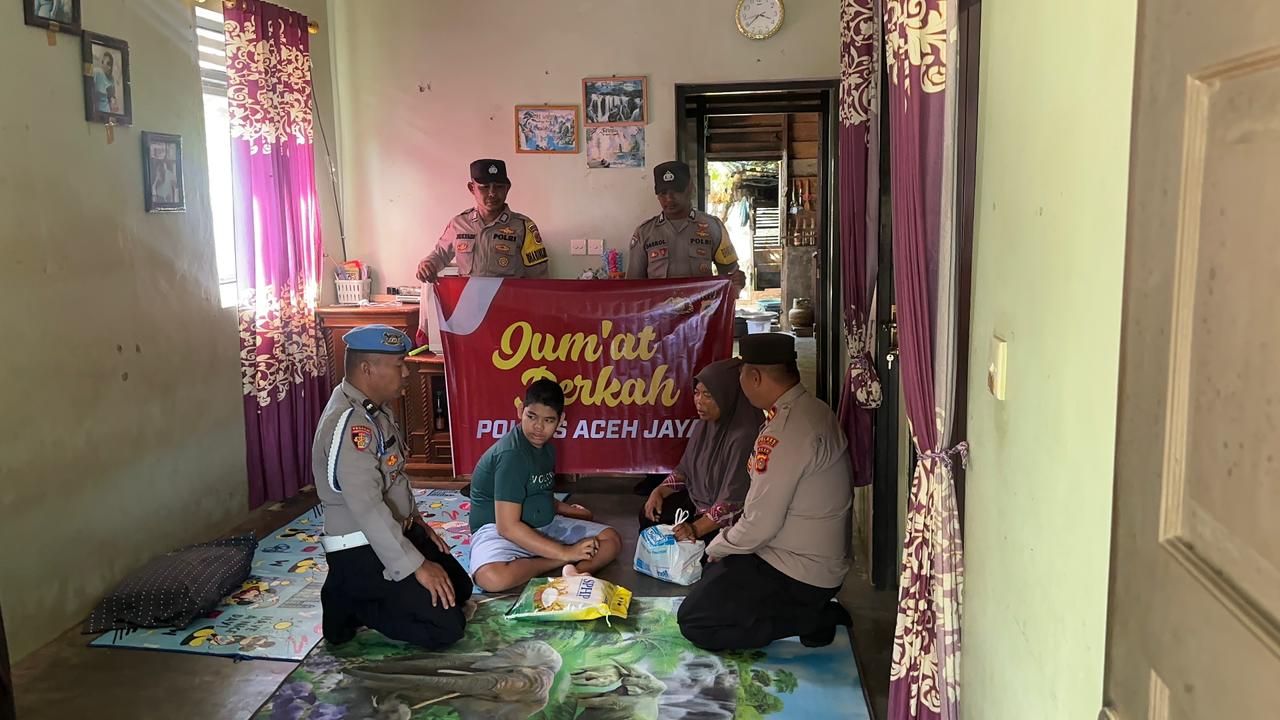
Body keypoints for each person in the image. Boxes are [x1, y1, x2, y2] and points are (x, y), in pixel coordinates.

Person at [677, 333, 854, 650]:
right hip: (804, 557)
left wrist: (717, 547)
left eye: (742, 374)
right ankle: (806, 612)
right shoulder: (812, 409)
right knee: (711, 585)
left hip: (798, 570)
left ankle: (812, 618)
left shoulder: (785, 432)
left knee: (695, 621)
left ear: (755, 377)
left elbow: (760, 524)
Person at [313, 324, 472, 650]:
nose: (406, 373)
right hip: (359, 546)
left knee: (459, 588)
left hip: (391, 529)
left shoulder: (373, 409)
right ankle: (350, 598)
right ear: (367, 369)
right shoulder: (352, 425)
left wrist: (419, 524)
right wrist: (417, 565)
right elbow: (368, 508)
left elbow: (393, 478)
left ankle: (360, 590)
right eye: (399, 365)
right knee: (447, 628)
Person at [627, 160, 747, 496]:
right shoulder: (645, 233)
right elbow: (632, 288)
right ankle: (655, 471)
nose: (669, 199)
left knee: (701, 396)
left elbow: (733, 274)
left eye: (675, 191)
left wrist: (734, 283)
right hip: (659, 336)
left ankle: (701, 469)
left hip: (701, 332)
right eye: (662, 193)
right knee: (657, 398)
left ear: (689, 188)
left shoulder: (712, 228)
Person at [468, 379, 623, 592]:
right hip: (498, 531)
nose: (538, 427)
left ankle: (574, 573)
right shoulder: (511, 455)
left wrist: (571, 511)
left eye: (548, 420)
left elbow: (540, 495)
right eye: (531, 416)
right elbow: (507, 527)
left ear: (560, 420)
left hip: (542, 525)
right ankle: (558, 560)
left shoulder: (548, 450)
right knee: (491, 578)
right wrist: (565, 552)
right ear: (520, 411)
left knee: (611, 540)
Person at [641, 358, 760, 544]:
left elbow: (733, 501)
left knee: (693, 544)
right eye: (696, 393)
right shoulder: (705, 426)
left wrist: (695, 529)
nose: (699, 401)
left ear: (727, 395)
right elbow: (685, 471)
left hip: (729, 521)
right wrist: (659, 491)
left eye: (708, 395)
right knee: (650, 515)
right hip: (699, 503)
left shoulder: (744, 437)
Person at [416, 159, 549, 284]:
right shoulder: (459, 224)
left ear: (507, 188)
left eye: (499, 187)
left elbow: (539, 277)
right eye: (484, 187)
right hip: (469, 298)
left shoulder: (523, 226)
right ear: (472, 188)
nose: (492, 193)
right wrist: (428, 265)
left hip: (508, 300)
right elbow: (440, 255)